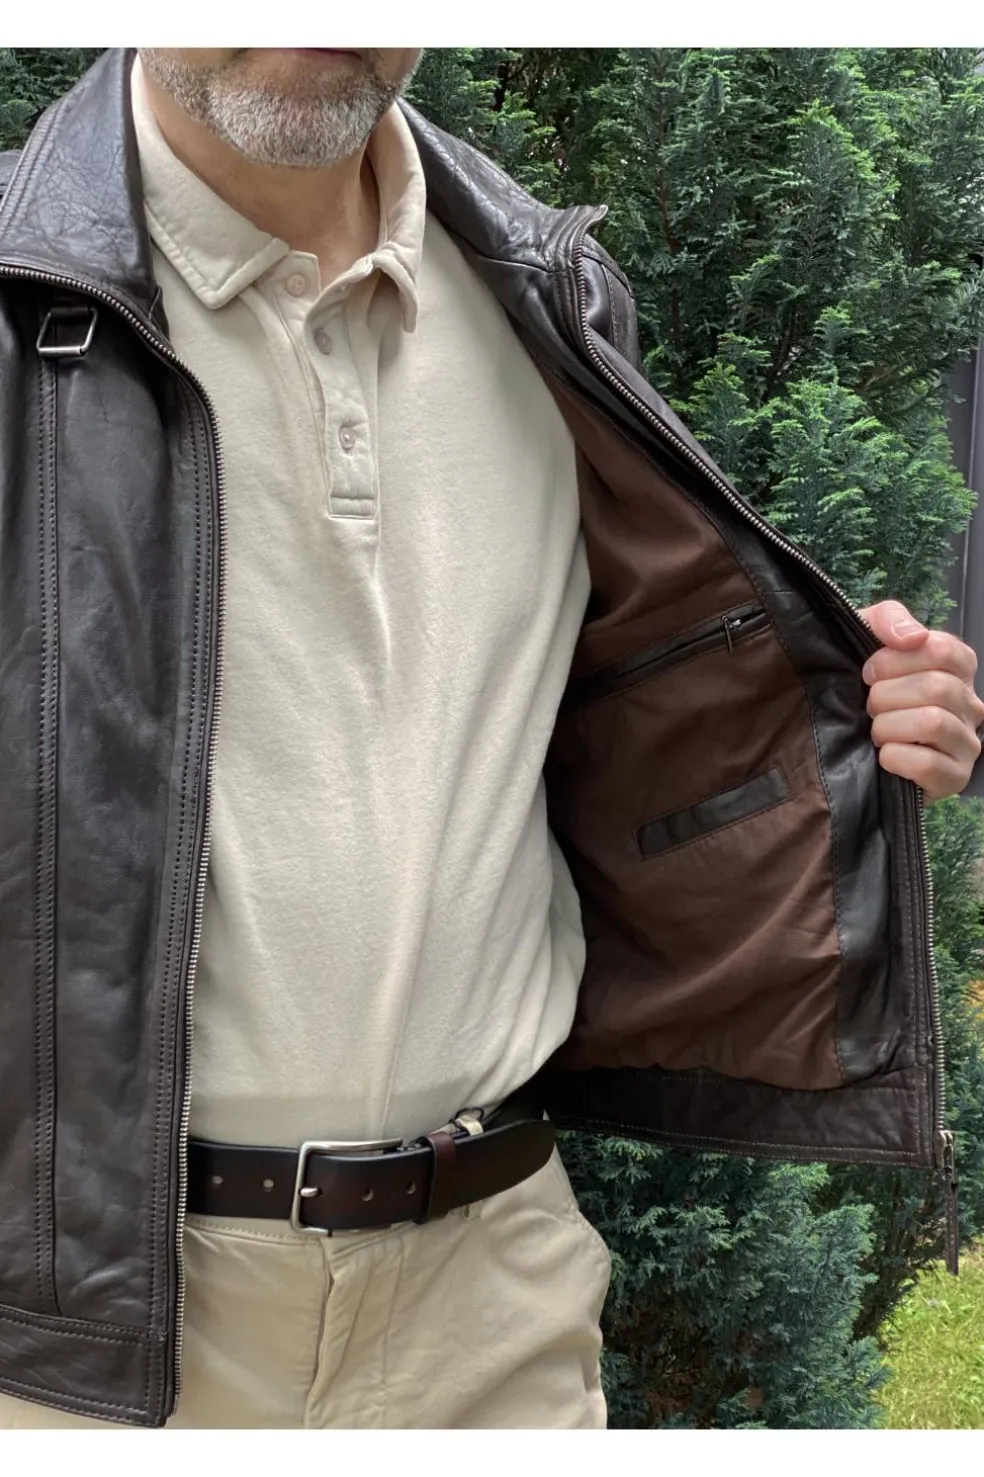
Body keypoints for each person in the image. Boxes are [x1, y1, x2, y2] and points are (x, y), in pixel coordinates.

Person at [0, 46, 981, 1431]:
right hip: (64, 1337)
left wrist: (846, 719)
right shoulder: (22, 295)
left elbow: (609, 729)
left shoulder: (549, 298)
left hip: (491, 1306)